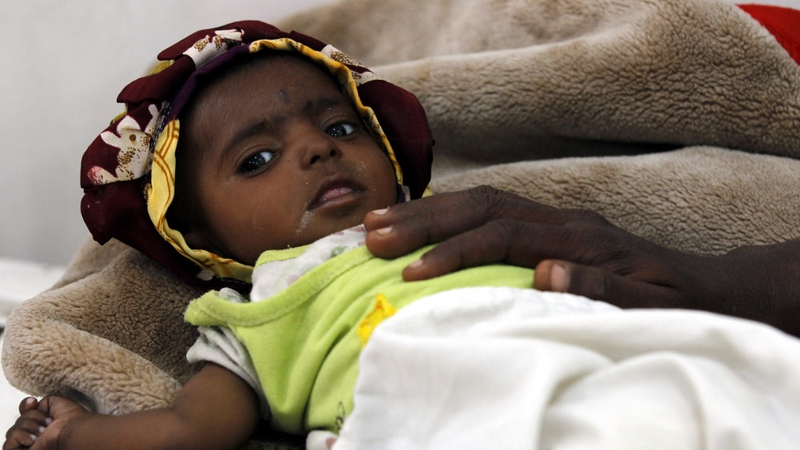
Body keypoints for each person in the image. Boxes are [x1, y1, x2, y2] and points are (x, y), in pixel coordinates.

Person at [6, 18, 800, 450]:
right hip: (427, 405)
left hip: (570, 342)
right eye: (258, 158)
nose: (316, 149)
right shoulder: (250, 317)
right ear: (199, 238)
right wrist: (85, 435)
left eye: (341, 124)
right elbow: (195, 424)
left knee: (715, 395)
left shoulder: (467, 221)